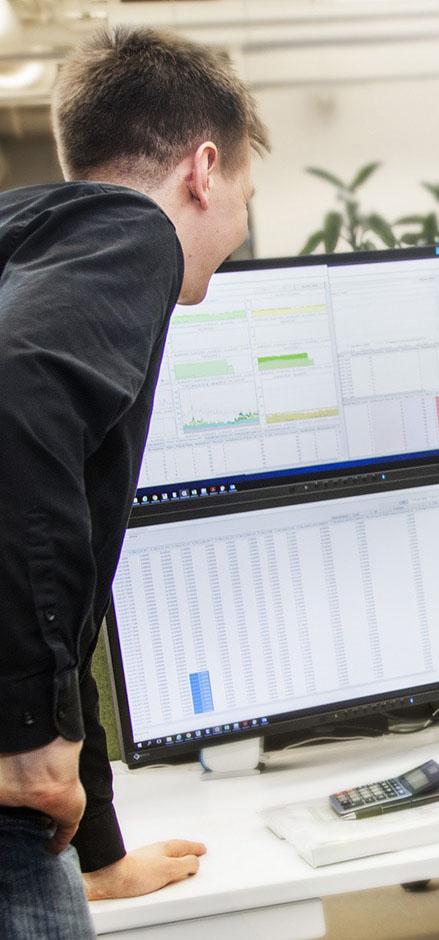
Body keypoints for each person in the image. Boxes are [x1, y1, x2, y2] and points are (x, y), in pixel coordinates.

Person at [0, 26, 268, 938]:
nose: (237, 227)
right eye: (245, 191)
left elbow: (54, 579)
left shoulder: (30, 239)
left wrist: (101, 856)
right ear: (203, 169)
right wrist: (35, 739)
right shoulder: (133, 235)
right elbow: (14, 399)